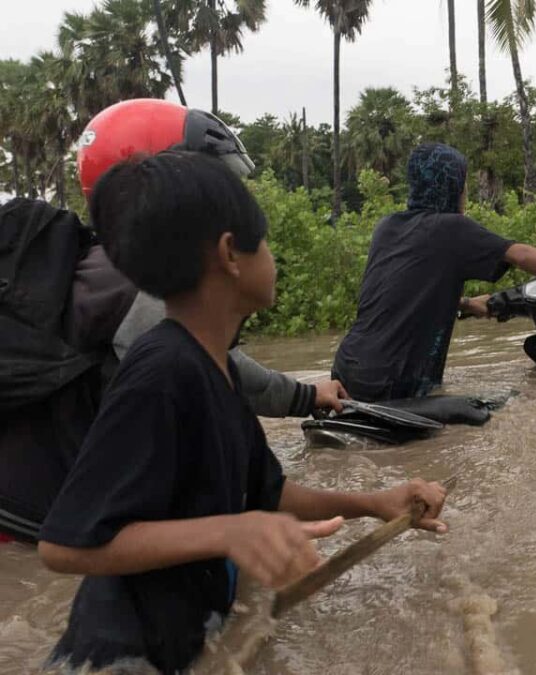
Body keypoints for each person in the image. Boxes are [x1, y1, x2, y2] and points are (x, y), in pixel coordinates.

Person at [37, 151, 448, 674]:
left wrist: (374, 502)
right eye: (266, 242)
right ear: (231, 254)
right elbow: (63, 546)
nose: (273, 257)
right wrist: (230, 532)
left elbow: (267, 494)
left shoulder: (217, 372)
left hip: (189, 646)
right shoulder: (162, 370)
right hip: (121, 661)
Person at [0, 99, 349, 543]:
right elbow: (226, 373)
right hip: (45, 525)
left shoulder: (95, 267)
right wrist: (305, 396)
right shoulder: (141, 288)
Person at [333, 143, 536, 402]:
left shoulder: (387, 226)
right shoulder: (451, 227)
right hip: (394, 383)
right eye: (464, 184)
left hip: (346, 370)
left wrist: (466, 305)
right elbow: (521, 254)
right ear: (452, 186)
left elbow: (400, 288)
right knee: (518, 404)